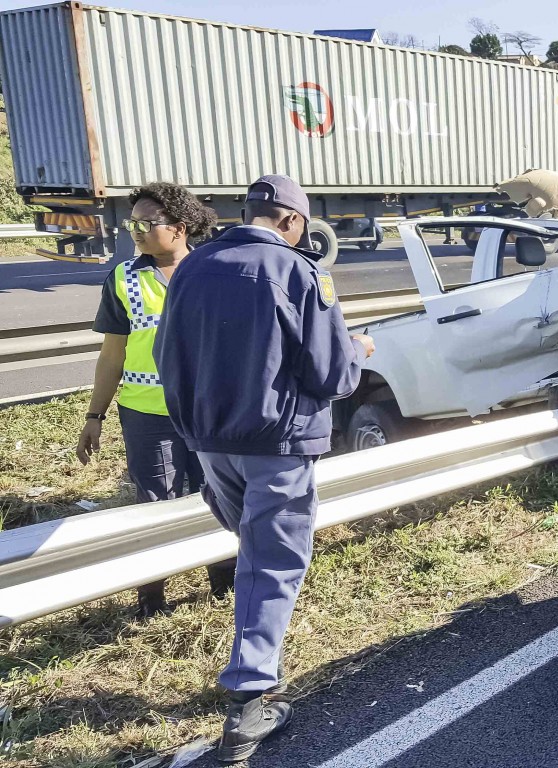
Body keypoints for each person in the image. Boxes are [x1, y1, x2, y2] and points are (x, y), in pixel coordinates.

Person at [155, 175, 374, 762]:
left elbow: (165, 357)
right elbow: (332, 375)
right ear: (293, 221)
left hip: (207, 440)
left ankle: (253, 663)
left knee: (254, 549)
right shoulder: (298, 273)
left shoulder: (193, 268)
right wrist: (358, 349)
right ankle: (250, 699)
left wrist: (192, 427)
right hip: (275, 443)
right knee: (272, 562)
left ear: (249, 212)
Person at [76, 182, 235, 619]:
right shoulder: (124, 278)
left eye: (147, 224)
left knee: (218, 496)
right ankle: (152, 599)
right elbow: (113, 353)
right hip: (148, 415)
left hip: (207, 412)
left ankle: (225, 582)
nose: (137, 232)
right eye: (133, 225)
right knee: (154, 505)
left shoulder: (214, 271)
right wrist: (95, 414)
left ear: (180, 228)